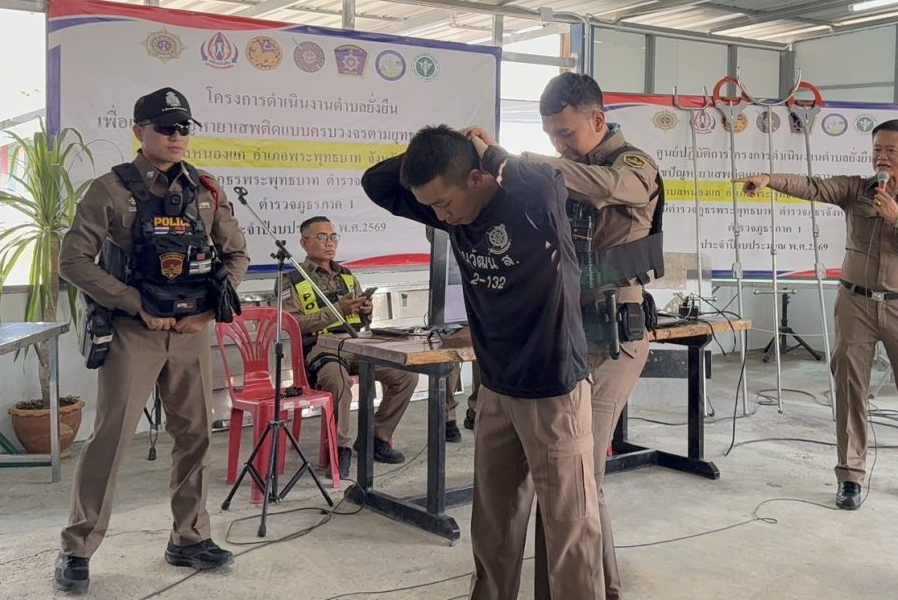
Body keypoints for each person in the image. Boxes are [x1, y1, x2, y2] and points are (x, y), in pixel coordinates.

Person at [363, 125, 604, 600]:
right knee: (494, 524)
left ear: (477, 178)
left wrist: (488, 152)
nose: (440, 216)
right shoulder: (454, 209)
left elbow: (548, 184)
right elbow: (377, 182)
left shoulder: (534, 207)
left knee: (569, 528)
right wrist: (446, 145)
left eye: (443, 204)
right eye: (432, 207)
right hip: (495, 385)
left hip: (553, 388)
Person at [55, 88, 249, 593]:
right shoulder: (110, 190)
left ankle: (189, 538)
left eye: (184, 127)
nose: (177, 136)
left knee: (195, 435)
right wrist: (132, 302)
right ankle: (77, 548)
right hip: (133, 332)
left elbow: (236, 255)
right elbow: (72, 261)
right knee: (111, 439)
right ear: (139, 131)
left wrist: (210, 309)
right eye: (165, 127)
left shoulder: (205, 190)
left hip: (191, 333)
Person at [739, 119, 898, 510]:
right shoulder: (855, 189)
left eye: (891, 150)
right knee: (849, 388)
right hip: (856, 305)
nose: (882, 157)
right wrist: (769, 179)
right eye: (877, 149)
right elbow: (812, 186)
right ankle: (850, 477)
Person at [517, 71, 664, 600]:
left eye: (566, 133)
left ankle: (602, 588)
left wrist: (531, 162)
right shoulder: (568, 168)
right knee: (566, 474)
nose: (559, 144)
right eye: (551, 136)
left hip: (614, 335)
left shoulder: (634, 166)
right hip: (568, 328)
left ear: (598, 119)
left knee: (581, 475)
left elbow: (608, 188)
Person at [276, 216, 418, 478]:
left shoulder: (347, 276)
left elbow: (362, 322)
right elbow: (293, 323)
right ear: (304, 242)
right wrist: (336, 311)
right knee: (337, 380)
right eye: (322, 237)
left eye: (333, 237)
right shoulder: (290, 279)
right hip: (320, 346)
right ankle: (339, 447)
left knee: (406, 375)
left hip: (355, 344)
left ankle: (377, 438)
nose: (329, 243)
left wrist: (365, 310)